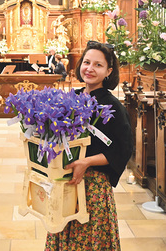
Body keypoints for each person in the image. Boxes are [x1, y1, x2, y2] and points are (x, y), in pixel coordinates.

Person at [45, 41, 132, 250]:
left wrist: (87, 161)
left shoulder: (113, 106)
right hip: (66, 183)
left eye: (98, 65)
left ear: (109, 71)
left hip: (92, 187)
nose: (90, 69)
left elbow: (124, 149)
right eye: (86, 62)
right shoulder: (71, 98)